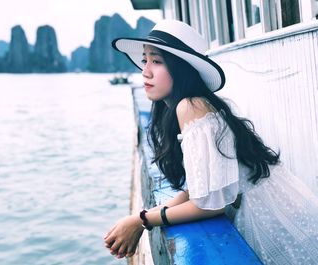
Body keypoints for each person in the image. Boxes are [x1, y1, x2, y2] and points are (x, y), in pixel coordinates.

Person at [103, 19, 318, 264]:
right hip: (265, 204)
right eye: (145, 60)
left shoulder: (191, 106)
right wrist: (142, 217)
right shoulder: (186, 107)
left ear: (181, 68)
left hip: (268, 213)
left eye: (157, 61)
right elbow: (199, 189)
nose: (146, 71)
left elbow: (209, 205)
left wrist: (142, 220)